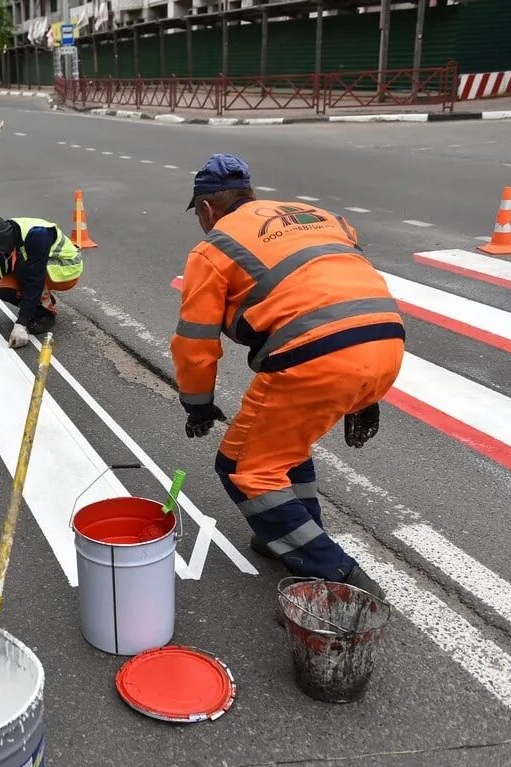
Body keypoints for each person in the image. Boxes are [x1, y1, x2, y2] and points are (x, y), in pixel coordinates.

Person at [170, 154, 405, 599]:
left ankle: (336, 576)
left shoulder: (214, 247)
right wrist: (364, 398)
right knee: (283, 446)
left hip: (314, 356)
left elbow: (195, 343)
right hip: (387, 341)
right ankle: (289, 535)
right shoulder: (321, 217)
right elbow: (341, 288)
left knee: (243, 467)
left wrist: (197, 404)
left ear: (206, 209)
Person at [0, 214, 84, 348]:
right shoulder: (7, 235)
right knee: (3, 288)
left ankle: (46, 314)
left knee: (25, 270)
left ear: (0, 241)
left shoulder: (38, 235)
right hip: (41, 268)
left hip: (67, 268)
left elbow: (35, 278)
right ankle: (37, 307)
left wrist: (21, 324)